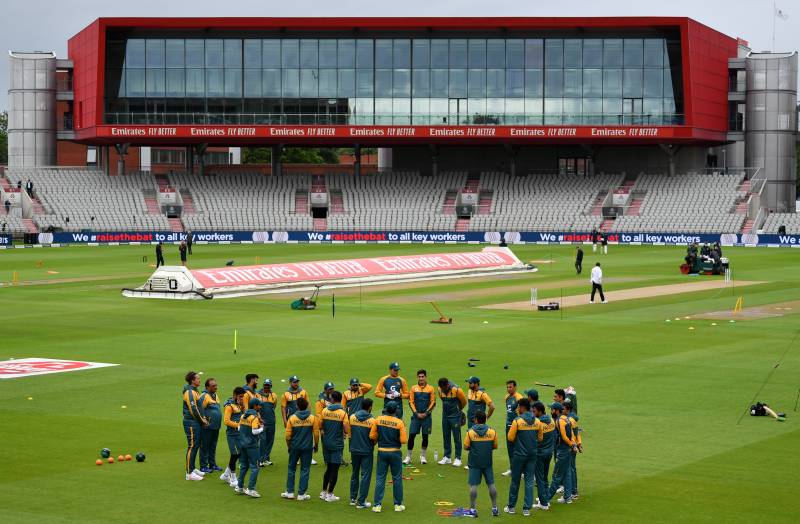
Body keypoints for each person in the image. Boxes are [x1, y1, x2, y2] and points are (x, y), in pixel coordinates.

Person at [504, 398, 543, 517]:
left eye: (518, 407)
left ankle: (511, 507)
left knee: (515, 481)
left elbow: (510, 438)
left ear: (522, 407)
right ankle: (526, 509)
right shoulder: (537, 421)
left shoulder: (517, 421)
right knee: (529, 481)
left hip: (519, 455)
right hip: (532, 455)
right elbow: (540, 438)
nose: (517, 409)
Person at [370, 401, 408, 513]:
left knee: (380, 478)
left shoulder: (378, 419)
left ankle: (377, 505)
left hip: (382, 451)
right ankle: (398, 505)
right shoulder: (400, 422)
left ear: (386, 409)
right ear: (396, 410)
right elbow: (403, 440)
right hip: (395, 452)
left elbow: (372, 435)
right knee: (397, 478)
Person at [463, 410, 500, 518]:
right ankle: (494, 509)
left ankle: (473, 509)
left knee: (473, 486)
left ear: (475, 420)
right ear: (485, 419)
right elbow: (495, 446)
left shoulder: (470, 432)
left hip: (474, 463)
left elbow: (465, 447)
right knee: (491, 485)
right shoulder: (492, 432)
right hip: (487, 462)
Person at [282, 396, 319, 501]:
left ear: (297, 406)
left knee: (291, 469)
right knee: (305, 469)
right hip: (307, 447)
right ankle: (302, 494)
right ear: (307, 406)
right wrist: (316, 445)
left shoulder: (292, 418)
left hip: (294, 447)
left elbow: (287, 436)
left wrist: (289, 446)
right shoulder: (312, 418)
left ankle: (290, 492)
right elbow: (316, 434)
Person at [318, 390, 350, 502]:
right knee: (335, 469)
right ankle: (330, 494)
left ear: (332, 399)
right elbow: (346, 430)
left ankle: (323, 492)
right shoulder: (342, 413)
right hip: (337, 444)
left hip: (326, 443)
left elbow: (320, 425)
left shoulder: (324, 410)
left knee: (328, 468)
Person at [349, 397, 376, 509]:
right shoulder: (373, 421)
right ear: (370, 407)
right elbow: (374, 438)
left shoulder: (352, 417)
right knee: (365, 475)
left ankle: (353, 498)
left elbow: (350, 433)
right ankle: (361, 501)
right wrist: (371, 445)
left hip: (354, 449)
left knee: (354, 473)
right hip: (366, 451)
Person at [548, 402, 577, 504]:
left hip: (563, 450)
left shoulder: (559, 420)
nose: (551, 411)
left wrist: (571, 444)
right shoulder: (567, 419)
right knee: (567, 473)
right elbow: (572, 434)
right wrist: (573, 444)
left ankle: (545, 499)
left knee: (556, 475)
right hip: (568, 450)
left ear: (556, 410)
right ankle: (567, 498)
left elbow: (564, 437)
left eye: (552, 409)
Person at [182, 371, 209, 481]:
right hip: (191, 422)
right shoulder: (189, 392)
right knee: (192, 446)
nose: (199, 380)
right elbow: (193, 409)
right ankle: (189, 473)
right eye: (197, 378)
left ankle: (192, 468)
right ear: (192, 380)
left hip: (195, 422)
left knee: (196, 445)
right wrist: (202, 420)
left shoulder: (194, 391)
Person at [405, 369, 435, 465]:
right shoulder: (414, 388)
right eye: (419, 376)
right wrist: (416, 413)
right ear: (417, 377)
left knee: (425, 436)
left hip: (426, 417)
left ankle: (423, 456)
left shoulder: (430, 388)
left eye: (422, 376)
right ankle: (408, 457)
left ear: (425, 377)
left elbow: (433, 402)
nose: (421, 378)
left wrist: (426, 412)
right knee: (412, 435)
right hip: (416, 416)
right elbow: (411, 402)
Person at [236, 399, 264, 497]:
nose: (260, 407)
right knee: (255, 467)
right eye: (259, 405)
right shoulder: (254, 417)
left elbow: (239, 428)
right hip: (252, 446)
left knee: (244, 466)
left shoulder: (243, 415)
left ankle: (239, 487)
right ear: (255, 406)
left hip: (242, 444)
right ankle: (251, 489)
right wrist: (262, 428)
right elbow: (254, 432)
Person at [437, 377, 467, 467]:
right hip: (445, 416)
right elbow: (442, 399)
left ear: (448, 385)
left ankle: (458, 458)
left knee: (456, 437)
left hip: (455, 416)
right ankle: (447, 457)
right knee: (446, 436)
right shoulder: (439, 389)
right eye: (442, 388)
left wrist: (458, 410)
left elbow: (464, 402)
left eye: (444, 388)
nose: (443, 390)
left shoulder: (457, 390)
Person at [532, 401, 556, 510]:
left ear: (540, 411)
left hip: (540, 454)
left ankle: (543, 503)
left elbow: (535, 440)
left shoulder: (538, 424)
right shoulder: (551, 420)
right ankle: (546, 499)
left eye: (534, 411)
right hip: (549, 452)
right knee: (545, 477)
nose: (533, 413)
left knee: (540, 479)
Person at [220, 387, 245, 487]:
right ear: (234, 395)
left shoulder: (238, 404)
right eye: (240, 396)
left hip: (238, 434)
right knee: (235, 454)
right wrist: (238, 425)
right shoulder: (229, 406)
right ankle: (233, 479)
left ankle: (226, 475)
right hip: (232, 434)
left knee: (238, 454)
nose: (242, 398)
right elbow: (226, 421)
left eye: (243, 397)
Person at [198, 378, 222, 473]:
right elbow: (199, 410)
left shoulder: (215, 395)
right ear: (207, 387)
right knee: (205, 446)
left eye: (216, 385)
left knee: (213, 446)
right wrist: (203, 421)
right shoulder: (204, 396)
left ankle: (212, 464)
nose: (215, 387)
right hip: (207, 427)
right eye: (213, 386)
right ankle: (203, 466)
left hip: (215, 426)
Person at [502, 380, 524, 476]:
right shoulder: (506, 397)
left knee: (518, 448)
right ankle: (512, 468)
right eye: (507, 387)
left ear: (515, 387)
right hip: (508, 424)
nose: (508, 389)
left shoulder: (519, 398)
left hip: (517, 425)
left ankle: (521, 470)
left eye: (510, 387)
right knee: (510, 447)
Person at [564, 399, 583, 500]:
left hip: (570, 447)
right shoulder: (572, 420)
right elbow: (577, 433)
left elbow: (573, 435)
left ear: (567, 410)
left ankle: (573, 491)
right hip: (573, 446)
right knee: (572, 468)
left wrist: (575, 445)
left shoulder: (568, 421)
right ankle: (573, 490)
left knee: (570, 469)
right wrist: (579, 444)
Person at [258, 378, 278, 467]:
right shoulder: (258, 395)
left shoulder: (274, 395)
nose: (267, 387)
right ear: (263, 386)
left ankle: (266, 458)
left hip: (271, 421)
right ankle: (260, 459)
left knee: (270, 440)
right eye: (265, 385)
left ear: (271, 386)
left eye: (268, 385)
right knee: (262, 440)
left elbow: (274, 406)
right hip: (261, 421)